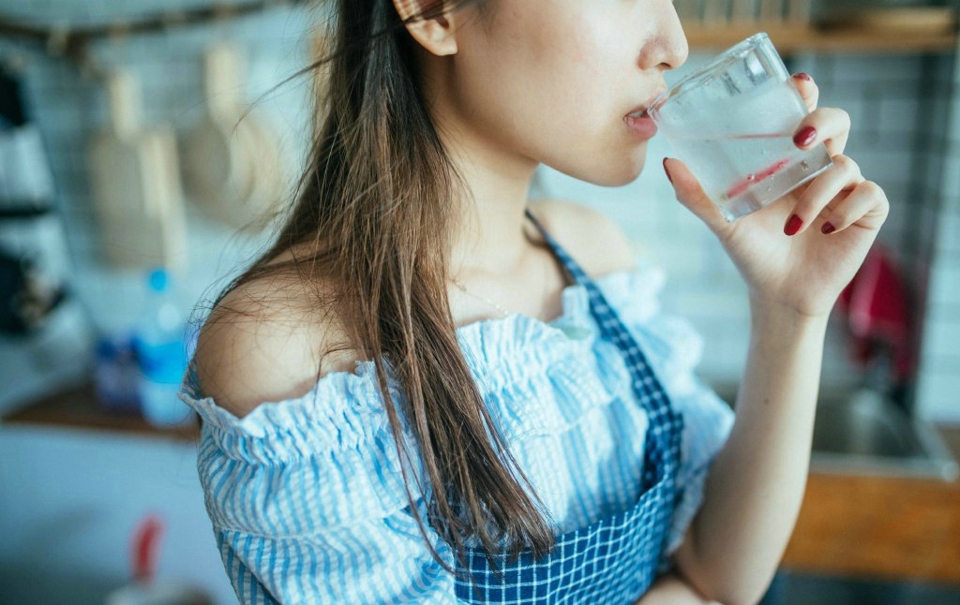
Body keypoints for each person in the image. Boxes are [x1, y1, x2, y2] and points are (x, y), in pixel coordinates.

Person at [180, 0, 889, 603]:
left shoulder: (596, 263)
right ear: (431, 11)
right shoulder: (289, 355)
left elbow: (721, 574)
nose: (673, 44)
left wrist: (791, 311)